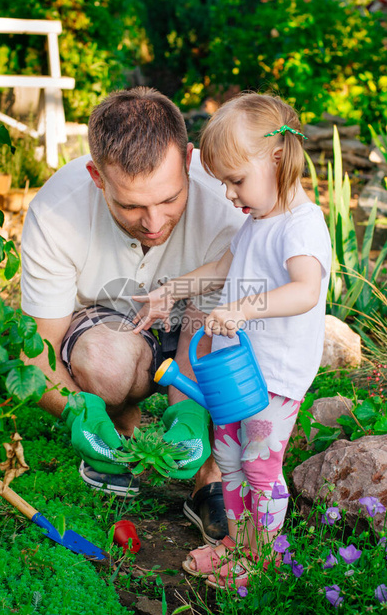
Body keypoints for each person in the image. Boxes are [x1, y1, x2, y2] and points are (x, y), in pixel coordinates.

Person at [20, 87, 246, 545]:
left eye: (169, 199)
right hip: (113, 324)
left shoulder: (229, 206)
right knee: (104, 362)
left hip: (199, 322)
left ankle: (211, 475)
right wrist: (75, 410)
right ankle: (116, 429)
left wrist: (188, 413)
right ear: (97, 176)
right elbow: (37, 349)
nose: (154, 221)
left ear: (188, 160)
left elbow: (200, 334)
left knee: (247, 349)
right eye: (131, 205)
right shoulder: (56, 213)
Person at [132, 92, 332, 589]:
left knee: (260, 467)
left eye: (236, 180)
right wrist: (171, 292)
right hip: (231, 373)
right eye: (223, 182)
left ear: (278, 158)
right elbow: (224, 267)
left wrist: (244, 308)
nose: (228, 193)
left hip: (274, 379)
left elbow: (305, 290)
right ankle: (233, 546)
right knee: (228, 461)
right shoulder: (257, 221)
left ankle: (259, 561)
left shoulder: (301, 227)